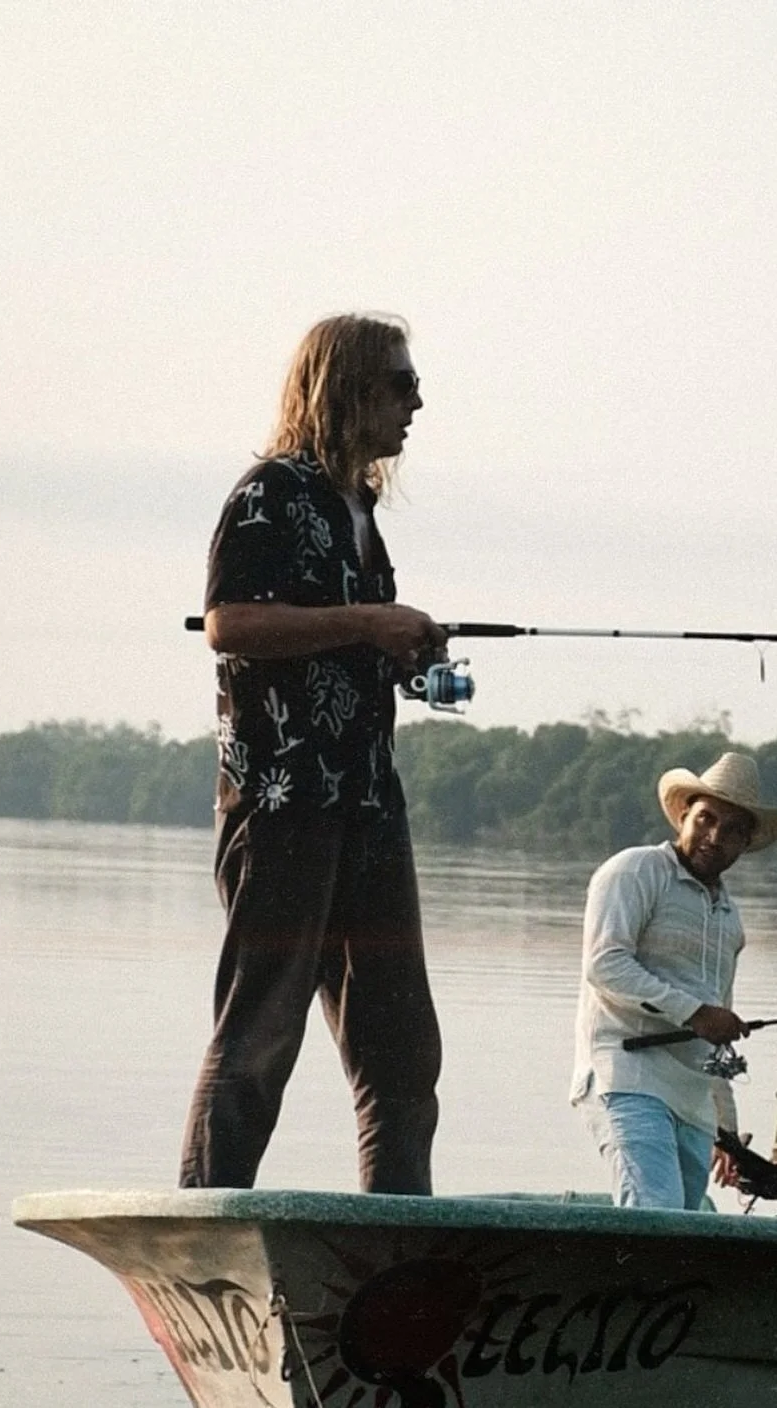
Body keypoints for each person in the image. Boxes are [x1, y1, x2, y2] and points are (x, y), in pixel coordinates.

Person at [179, 313, 445, 1193]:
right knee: (260, 1037)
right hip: (284, 804)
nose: (418, 402)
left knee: (403, 1053)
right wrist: (369, 622)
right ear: (352, 388)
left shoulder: (360, 505)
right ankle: (205, 1225)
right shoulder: (271, 493)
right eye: (402, 384)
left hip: (368, 803)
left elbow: (336, 641)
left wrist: (400, 648)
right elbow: (230, 624)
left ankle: (396, 1252)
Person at [570, 751, 777, 1209]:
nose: (714, 837)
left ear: (745, 843)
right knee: (656, 1214)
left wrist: (726, 1132)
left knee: (686, 1229)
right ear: (683, 815)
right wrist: (694, 1013)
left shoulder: (729, 918)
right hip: (627, 1077)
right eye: (706, 819)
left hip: (693, 1102)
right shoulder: (635, 870)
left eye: (732, 831)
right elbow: (605, 965)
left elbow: (717, 1031)